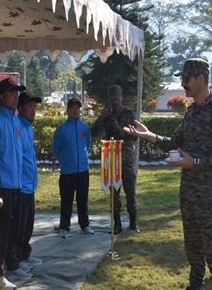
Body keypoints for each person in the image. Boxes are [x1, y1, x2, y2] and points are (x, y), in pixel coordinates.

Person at [124, 57, 212, 290]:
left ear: (201, 79)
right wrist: (149, 136)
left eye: (187, 78)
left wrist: (194, 162)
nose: (183, 83)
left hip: (208, 197)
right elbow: (174, 143)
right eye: (182, 79)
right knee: (193, 249)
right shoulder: (192, 112)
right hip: (189, 194)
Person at [0, 78, 30, 288]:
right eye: (11, 93)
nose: (15, 97)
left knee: (14, 228)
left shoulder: (15, 121)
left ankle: (12, 264)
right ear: (1, 97)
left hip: (16, 185)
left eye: (17, 93)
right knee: (1, 232)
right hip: (2, 186)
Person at [91, 84, 140, 234]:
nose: (115, 102)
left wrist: (119, 129)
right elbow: (94, 133)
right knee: (114, 194)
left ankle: (133, 223)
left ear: (122, 98)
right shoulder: (106, 114)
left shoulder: (128, 114)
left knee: (130, 192)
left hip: (126, 159)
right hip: (112, 159)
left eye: (117, 98)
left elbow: (135, 136)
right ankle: (117, 224)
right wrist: (101, 117)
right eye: (112, 99)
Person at [52, 97, 94, 238]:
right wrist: (65, 161)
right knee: (66, 200)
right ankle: (64, 227)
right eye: (73, 108)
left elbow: (87, 144)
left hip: (83, 170)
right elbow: (56, 148)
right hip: (67, 172)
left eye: (78, 108)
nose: (75, 111)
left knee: (83, 199)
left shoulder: (85, 128)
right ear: (68, 110)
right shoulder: (61, 129)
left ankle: (85, 224)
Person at [17, 90, 43, 270]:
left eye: (35, 107)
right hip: (20, 185)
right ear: (20, 108)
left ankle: (25, 254)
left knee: (28, 224)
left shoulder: (28, 129)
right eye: (29, 107)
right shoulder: (17, 127)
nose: (33, 110)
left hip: (30, 184)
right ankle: (17, 258)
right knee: (19, 226)